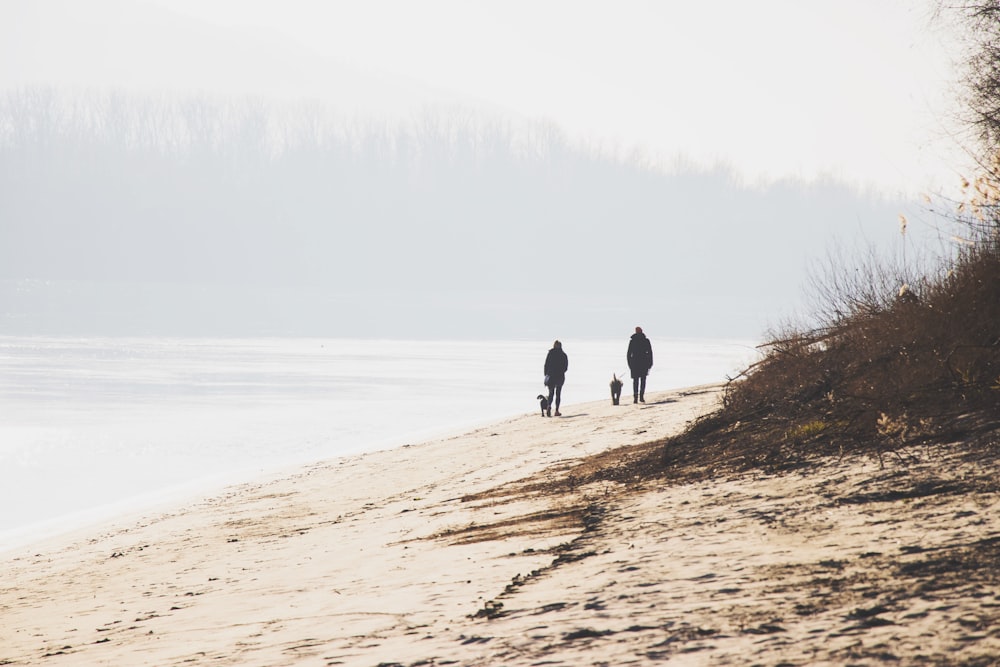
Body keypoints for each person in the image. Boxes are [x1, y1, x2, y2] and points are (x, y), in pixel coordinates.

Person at [627, 326, 653, 403]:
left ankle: (636, 397)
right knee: (642, 380)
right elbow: (650, 353)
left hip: (635, 363)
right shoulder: (645, 340)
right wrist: (650, 363)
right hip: (643, 363)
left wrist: (630, 364)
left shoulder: (633, 341)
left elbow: (629, 354)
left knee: (636, 381)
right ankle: (641, 397)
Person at [543, 340, 568, 417]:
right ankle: (556, 410)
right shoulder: (563, 355)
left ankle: (549, 406)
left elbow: (546, 364)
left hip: (551, 375)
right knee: (558, 393)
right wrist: (561, 372)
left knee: (551, 393)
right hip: (560, 376)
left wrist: (546, 374)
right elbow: (565, 367)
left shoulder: (550, 353)